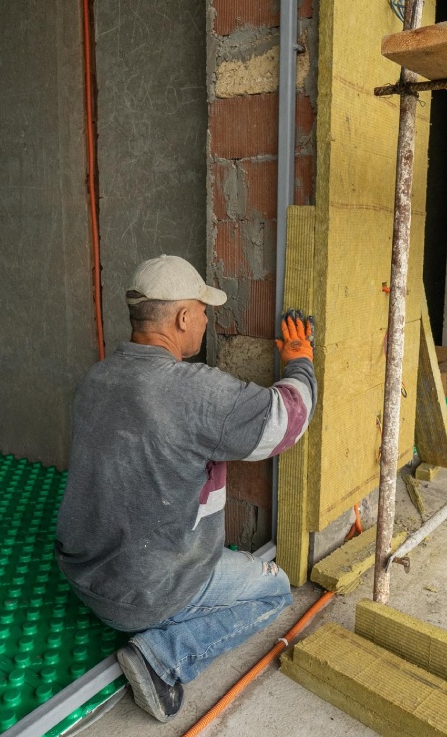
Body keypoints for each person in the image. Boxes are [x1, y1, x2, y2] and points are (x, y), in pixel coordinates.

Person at [55, 254, 316, 722]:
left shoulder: (96, 378)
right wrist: (301, 363)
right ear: (180, 317)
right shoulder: (191, 389)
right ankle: (162, 658)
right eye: (202, 311)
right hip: (146, 594)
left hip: (84, 577)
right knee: (275, 590)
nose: (205, 320)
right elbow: (286, 421)